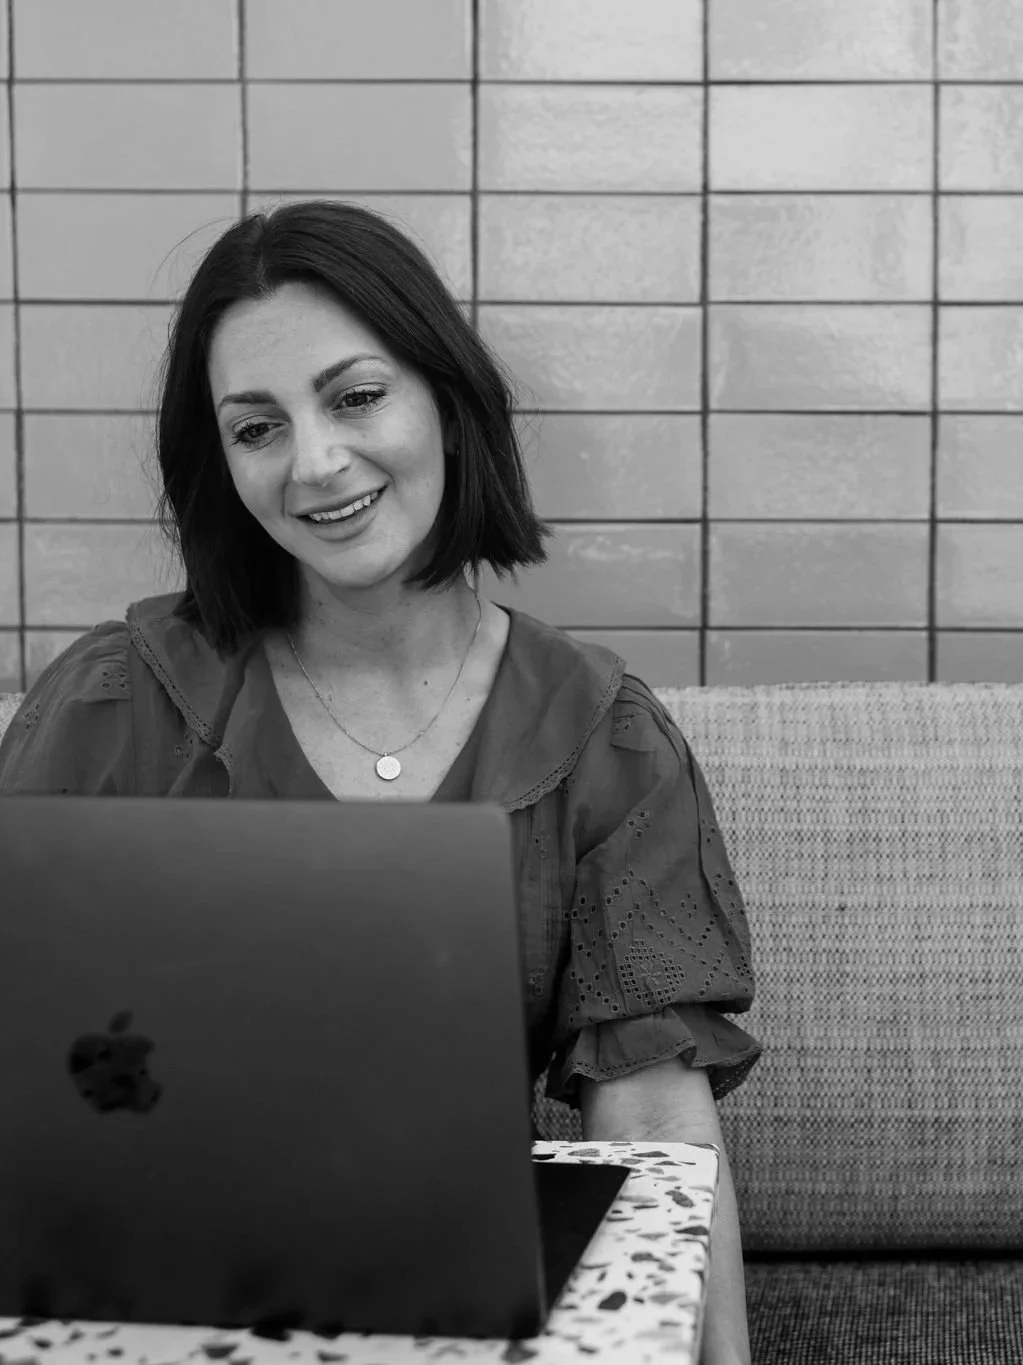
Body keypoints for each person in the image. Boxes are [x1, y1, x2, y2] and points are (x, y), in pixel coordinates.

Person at [0, 201, 761, 1365]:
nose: (315, 463)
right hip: (136, 1314)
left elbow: (653, 1121)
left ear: (446, 398)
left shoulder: (607, 740)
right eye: (257, 428)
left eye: (356, 397)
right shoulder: (117, 700)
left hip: (446, 1318)